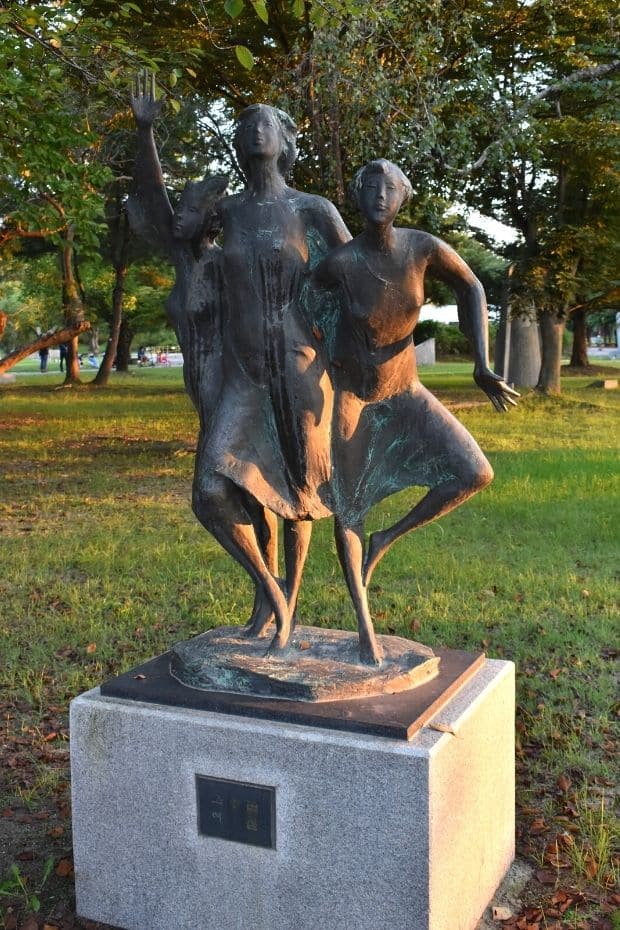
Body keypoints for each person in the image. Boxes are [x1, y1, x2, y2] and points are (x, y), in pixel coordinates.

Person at [314, 159, 518, 664]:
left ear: (403, 196)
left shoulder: (421, 248)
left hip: (405, 392)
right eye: (368, 185)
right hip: (354, 400)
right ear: (356, 195)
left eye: (389, 187)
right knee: (348, 510)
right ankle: (364, 629)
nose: (378, 194)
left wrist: (481, 363)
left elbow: (471, 287)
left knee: (474, 471)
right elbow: (300, 309)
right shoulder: (339, 264)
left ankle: (387, 538)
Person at [192, 103, 351, 653]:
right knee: (212, 490)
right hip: (244, 375)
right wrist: (146, 135)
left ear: (284, 140)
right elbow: (183, 241)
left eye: (266, 123)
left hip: (300, 370)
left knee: (299, 495)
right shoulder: (226, 212)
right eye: (244, 124)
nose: (253, 129)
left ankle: (287, 605)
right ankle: (271, 593)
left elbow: (355, 278)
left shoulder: (313, 209)